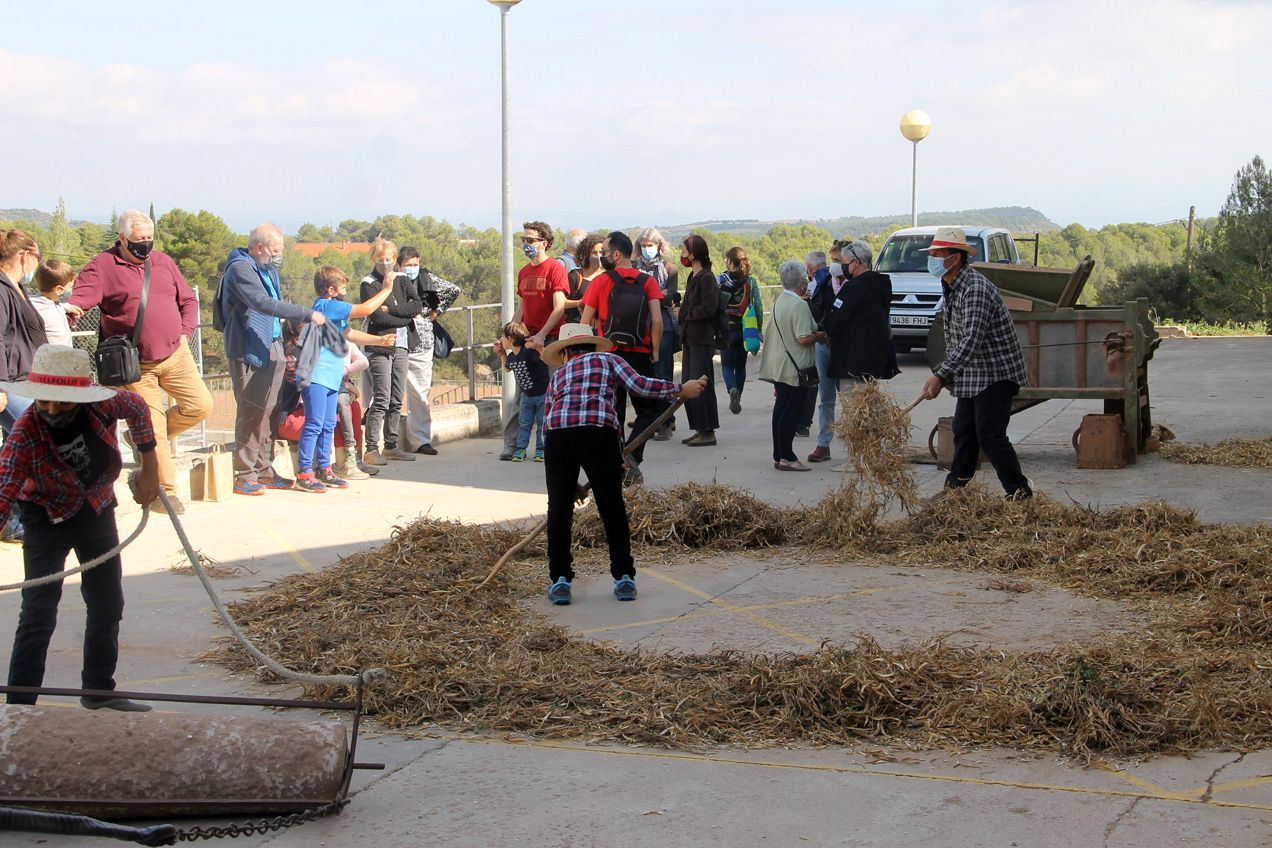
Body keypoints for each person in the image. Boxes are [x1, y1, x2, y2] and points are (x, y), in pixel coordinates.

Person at [1, 344, 160, 711]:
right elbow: (4, 486)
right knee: (38, 612)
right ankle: (18, 709)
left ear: (80, 398)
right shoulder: (23, 434)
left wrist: (150, 467)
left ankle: (98, 691)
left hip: (95, 509)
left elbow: (137, 408)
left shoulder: (104, 405)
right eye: (45, 402)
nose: (53, 411)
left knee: (107, 604)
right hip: (45, 518)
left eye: (63, 403)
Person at [539, 323, 706, 605]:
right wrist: (680, 389)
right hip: (599, 435)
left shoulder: (559, 376)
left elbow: (546, 423)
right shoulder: (609, 359)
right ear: (591, 346)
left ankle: (560, 581)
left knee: (558, 511)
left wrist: (572, 485)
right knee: (611, 508)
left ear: (566, 352)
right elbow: (640, 385)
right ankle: (624, 578)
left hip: (559, 438)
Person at [68, 210, 210, 514]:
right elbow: (82, 296)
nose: (145, 244)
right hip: (136, 364)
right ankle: (165, 493)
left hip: (175, 353)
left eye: (149, 238)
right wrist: (73, 309)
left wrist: (186, 331)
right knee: (155, 427)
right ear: (122, 238)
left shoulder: (163, 262)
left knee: (201, 406)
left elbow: (188, 299)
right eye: (138, 240)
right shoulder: (103, 265)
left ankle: (138, 437)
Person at [919, 226, 1032, 499]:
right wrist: (949, 375)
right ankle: (956, 490)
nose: (931, 259)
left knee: (990, 435)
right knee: (964, 432)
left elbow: (971, 340)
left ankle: (1019, 492)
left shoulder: (975, 288)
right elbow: (955, 337)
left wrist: (941, 375)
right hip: (973, 374)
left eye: (937, 254)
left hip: (996, 373)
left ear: (955, 258)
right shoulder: (950, 284)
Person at [217, 223, 326, 497]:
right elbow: (261, 302)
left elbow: (274, 303)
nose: (279, 256)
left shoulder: (267, 268)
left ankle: (265, 470)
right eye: (276, 251)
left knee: (272, 410)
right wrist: (305, 313)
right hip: (249, 348)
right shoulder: (241, 268)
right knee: (252, 411)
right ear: (260, 248)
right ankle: (245, 474)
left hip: (272, 345)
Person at [293, 266, 396, 493]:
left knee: (329, 424)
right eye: (342, 286)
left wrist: (379, 341)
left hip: (331, 375)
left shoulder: (333, 310)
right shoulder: (325, 306)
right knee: (314, 424)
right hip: (317, 374)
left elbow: (348, 333)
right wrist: (386, 289)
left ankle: (324, 468)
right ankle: (305, 473)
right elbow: (365, 309)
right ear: (331, 290)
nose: (345, 290)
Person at [579, 231, 665, 484]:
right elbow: (657, 321)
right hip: (640, 354)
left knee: (612, 415)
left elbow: (585, 324)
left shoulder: (600, 282)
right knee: (653, 409)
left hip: (608, 356)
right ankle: (633, 454)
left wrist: (589, 355)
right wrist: (656, 351)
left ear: (616, 255)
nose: (602, 257)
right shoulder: (647, 281)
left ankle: (618, 464)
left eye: (604, 253)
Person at [813, 240, 899, 463]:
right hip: (873, 360)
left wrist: (827, 322)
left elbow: (834, 321)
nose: (842, 267)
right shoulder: (882, 285)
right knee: (868, 411)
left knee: (855, 414)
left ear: (857, 263)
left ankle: (859, 460)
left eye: (845, 263)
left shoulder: (854, 288)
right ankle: (870, 456)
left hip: (852, 362)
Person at [501, 221, 573, 460]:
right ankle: (511, 446)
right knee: (520, 397)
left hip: (550, 341)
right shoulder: (524, 272)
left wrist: (542, 334)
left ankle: (554, 446)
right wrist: (509, 335)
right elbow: (521, 307)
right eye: (524, 240)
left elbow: (559, 307)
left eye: (530, 240)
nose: (526, 244)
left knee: (553, 394)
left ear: (545, 243)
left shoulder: (555, 269)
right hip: (526, 342)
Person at [360, 238, 422, 467]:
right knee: (382, 398)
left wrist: (394, 311)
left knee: (397, 398)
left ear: (394, 260)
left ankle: (392, 445)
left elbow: (416, 306)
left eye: (388, 259)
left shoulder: (403, 280)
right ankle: (371, 448)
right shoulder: (368, 283)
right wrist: (403, 316)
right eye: (380, 259)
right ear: (374, 259)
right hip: (380, 345)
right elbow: (376, 316)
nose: (385, 264)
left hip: (402, 344)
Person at [396, 246, 460, 456]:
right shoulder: (392, 280)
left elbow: (453, 290)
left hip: (421, 342)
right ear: (399, 265)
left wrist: (436, 312)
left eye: (415, 264)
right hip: (394, 340)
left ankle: (421, 440)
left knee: (420, 392)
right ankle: (386, 441)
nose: (412, 269)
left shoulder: (425, 278)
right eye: (408, 265)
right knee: (389, 391)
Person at [759, 262, 822, 471]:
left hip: (779, 365)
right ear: (802, 283)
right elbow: (803, 338)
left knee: (781, 410)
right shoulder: (799, 305)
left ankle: (779, 454)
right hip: (795, 368)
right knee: (791, 413)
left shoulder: (780, 300)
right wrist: (819, 336)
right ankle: (787, 456)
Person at [634, 227, 679, 440]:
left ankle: (667, 422)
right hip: (640, 327)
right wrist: (656, 293)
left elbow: (670, 298)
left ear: (659, 246)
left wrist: (650, 294)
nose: (646, 249)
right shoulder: (634, 267)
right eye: (643, 245)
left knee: (663, 374)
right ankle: (650, 419)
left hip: (664, 327)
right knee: (644, 375)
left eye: (649, 245)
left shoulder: (669, 269)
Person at [676, 235, 720, 446]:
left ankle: (707, 430)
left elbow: (708, 309)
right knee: (689, 383)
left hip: (701, 339)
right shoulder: (694, 277)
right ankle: (699, 427)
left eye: (684, 251)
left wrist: (684, 312)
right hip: (690, 338)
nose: (682, 255)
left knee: (700, 385)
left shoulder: (707, 278)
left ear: (693, 254)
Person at [717, 246, 764, 415]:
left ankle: (732, 390)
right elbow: (758, 306)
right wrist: (758, 328)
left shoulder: (720, 280)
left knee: (727, 365)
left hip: (725, 328)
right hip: (744, 329)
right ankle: (739, 395)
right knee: (741, 366)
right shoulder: (750, 282)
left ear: (729, 261)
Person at [495, 321, 549, 462]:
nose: (501, 340)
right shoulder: (512, 356)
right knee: (524, 423)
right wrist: (501, 354)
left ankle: (541, 449)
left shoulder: (529, 353)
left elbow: (545, 358)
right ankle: (520, 449)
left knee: (542, 424)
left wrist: (538, 347)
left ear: (511, 339)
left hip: (543, 395)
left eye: (503, 337)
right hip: (526, 396)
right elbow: (507, 368)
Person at [796, 249, 831, 440]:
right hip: (831, 336)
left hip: (821, 337)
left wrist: (805, 302)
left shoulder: (817, 282)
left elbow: (815, 312)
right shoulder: (831, 280)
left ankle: (803, 423)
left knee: (816, 386)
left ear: (809, 267)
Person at [30, 260, 76, 347]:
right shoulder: (34, 308)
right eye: (70, 287)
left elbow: (54, 303)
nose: (71, 290)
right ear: (59, 289)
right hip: (51, 358)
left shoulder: (52, 301)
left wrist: (68, 308)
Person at [564, 234, 605, 324]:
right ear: (586, 254)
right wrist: (580, 303)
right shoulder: (576, 276)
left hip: (599, 331)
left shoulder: (607, 277)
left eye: (601, 252)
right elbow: (560, 303)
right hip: (575, 328)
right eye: (594, 253)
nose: (598, 256)